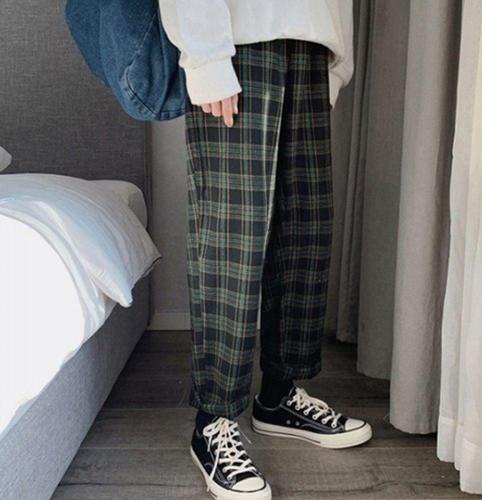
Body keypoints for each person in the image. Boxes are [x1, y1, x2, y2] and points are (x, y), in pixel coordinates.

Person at [159, 1, 372, 498]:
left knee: (305, 227)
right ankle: (212, 420)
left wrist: (336, 64)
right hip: (237, 40)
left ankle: (279, 396)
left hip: (313, 41)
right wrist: (206, 56)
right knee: (232, 235)